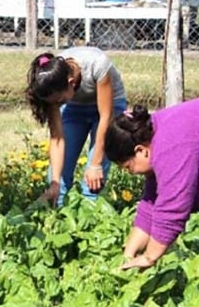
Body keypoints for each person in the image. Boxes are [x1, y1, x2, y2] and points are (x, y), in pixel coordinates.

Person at [105, 98, 199, 277]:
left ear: (140, 151)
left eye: (128, 167)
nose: (131, 173)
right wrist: (127, 256)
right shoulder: (155, 139)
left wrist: (149, 257)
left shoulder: (171, 145)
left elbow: (173, 207)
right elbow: (151, 204)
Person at [26, 47, 127, 206]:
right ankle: (58, 213)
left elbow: (106, 117)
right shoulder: (52, 80)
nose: (56, 105)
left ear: (71, 83)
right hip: (75, 107)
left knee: (93, 178)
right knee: (58, 177)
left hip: (110, 106)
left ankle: (90, 211)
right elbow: (57, 139)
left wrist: (95, 164)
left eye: (59, 101)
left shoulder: (97, 64)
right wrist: (55, 182)